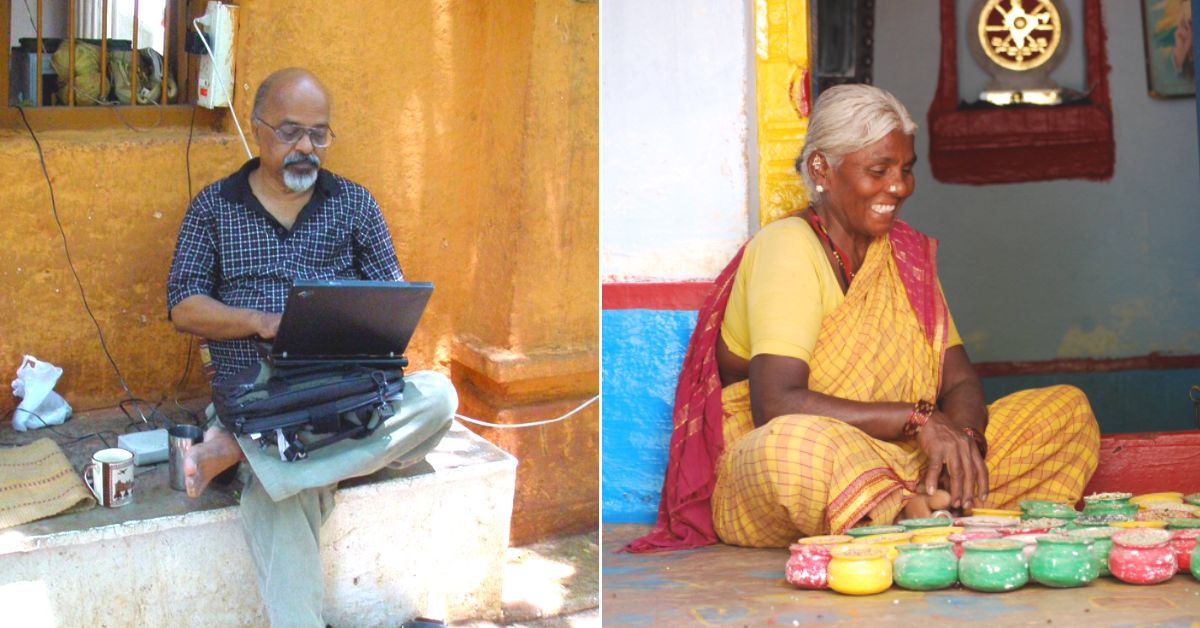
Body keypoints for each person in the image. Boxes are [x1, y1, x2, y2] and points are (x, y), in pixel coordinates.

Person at [627, 84, 1100, 552]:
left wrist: (963, 446)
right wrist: (919, 420)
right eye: (879, 170)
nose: (898, 187)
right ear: (822, 170)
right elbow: (775, 404)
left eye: (906, 170)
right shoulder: (788, 247)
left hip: (905, 459)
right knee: (791, 447)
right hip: (803, 463)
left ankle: (925, 504)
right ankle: (908, 511)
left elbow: (958, 382)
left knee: (1067, 410)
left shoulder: (905, 255)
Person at [167, 68, 456, 625]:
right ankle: (276, 449)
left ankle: (241, 452)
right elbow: (183, 306)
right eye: (290, 131)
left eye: (319, 134)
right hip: (259, 394)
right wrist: (261, 321)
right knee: (288, 497)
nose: (305, 146)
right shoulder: (214, 207)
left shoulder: (353, 205)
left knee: (439, 399)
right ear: (256, 130)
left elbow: (393, 299)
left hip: (346, 393)